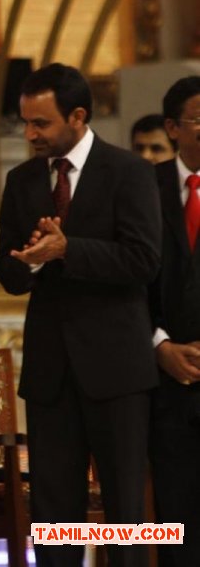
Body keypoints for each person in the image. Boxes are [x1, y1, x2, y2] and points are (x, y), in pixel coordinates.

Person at [0, 63, 161, 567]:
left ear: (78, 116)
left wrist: (69, 250)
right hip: (50, 371)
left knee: (125, 510)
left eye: (40, 123)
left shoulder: (128, 171)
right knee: (54, 512)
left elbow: (144, 260)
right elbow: (6, 268)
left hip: (117, 369)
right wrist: (27, 262)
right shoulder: (21, 179)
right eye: (25, 122)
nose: (30, 134)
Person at [148, 76, 200, 567]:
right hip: (163, 385)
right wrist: (159, 345)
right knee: (176, 528)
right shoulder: (143, 187)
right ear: (173, 127)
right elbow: (125, 282)